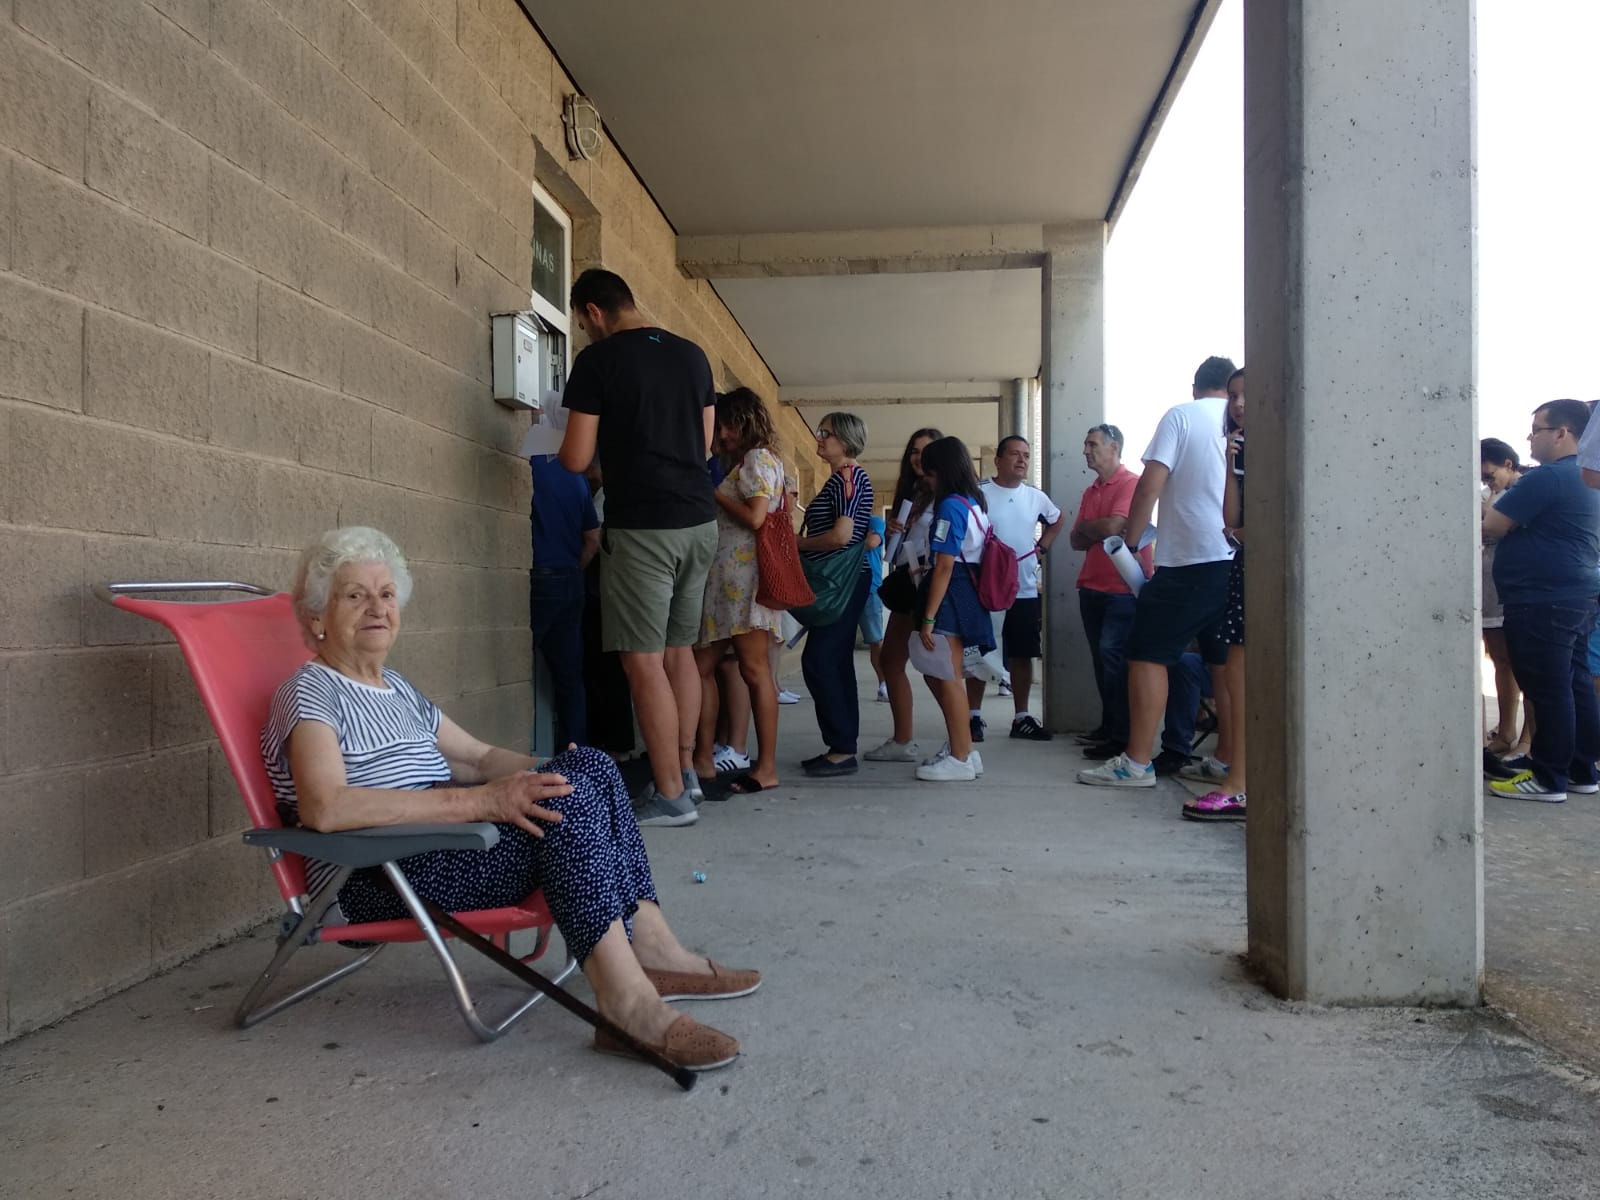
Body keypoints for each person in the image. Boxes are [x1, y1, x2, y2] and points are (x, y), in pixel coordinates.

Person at [261, 527, 759, 1073]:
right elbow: (327, 808)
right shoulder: (310, 691)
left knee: (590, 768)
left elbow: (474, 759)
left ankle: (654, 950)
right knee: (565, 809)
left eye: (385, 594)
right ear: (316, 618)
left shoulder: (395, 688)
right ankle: (625, 1004)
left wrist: (548, 772)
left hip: (440, 848)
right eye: (354, 595)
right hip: (375, 876)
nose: (377, 607)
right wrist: (483, 804)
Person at [558, 269, 716, 827]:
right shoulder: (694, 356)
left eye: (581, 323)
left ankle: (668, 794)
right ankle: (687, 772)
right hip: (699, 521)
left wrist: (605, 461)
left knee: (642, 660)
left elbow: (575, 460)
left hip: (644, 525)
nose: (583, 331)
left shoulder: (598, 362)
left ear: (593, 311)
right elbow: (702, 444)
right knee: (679, 652)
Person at [1078, 355, 1238, 789]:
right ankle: (1225, 760)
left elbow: (1151, 482)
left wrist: (1129, 542)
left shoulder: (1182, 416)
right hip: (1232, 559)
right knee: (1223, 664)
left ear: (1195, 386)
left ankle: (1136, 762)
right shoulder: (1239, 422)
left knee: (1146, 654)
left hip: (1188, 561)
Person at [1482, 400, 1600, 802]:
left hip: (1541, 600)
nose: (1530, 438)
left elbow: (1493, 526)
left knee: (1548, 690)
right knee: (1575, 684)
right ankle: (1581, 770)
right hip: (1576, 596)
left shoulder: (1548, 478)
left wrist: (1486, 508)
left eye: (1537, 429)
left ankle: (1548, 777)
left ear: (1562, 433)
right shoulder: (1587, 477)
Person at [691, 389, 785, 795]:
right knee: (699, 668)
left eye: (727, 425)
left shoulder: (757, 460)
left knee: (753, 670)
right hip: (728, 582)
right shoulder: (753, 461)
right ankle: (703, 759)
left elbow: (756, 517)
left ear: (742, 423)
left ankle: (765, 767)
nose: (722, 434)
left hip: (743, 582)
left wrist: (711, 491)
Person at [1184, 367, 1249, 821]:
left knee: (1242, 680)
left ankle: (1240, 783)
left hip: (1264, 574)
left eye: (1248, 394)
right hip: (1244, 569)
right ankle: (1238, 779)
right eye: (1234, 396)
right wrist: (1229, 464)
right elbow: (1232, 519)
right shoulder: (1243, 451)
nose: (1240, 403)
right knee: (1233, 676)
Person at [968, 436, 1063, 742]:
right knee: (981, 652)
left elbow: (1057, 521)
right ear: (998, 460)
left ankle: (1021, 717)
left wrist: (1041, 548)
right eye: (1014, 454)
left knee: (1023, 653)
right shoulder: (979, 493)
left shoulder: (1035, 497)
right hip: (986, 591)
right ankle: (973, 717)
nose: (1022, 460)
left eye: (1026, 455)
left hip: (1022, 590)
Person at [795, 412, 875, 777]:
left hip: (840, 581)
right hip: (842, 581)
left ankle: (842, 747)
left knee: (820, 660)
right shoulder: (844, 478)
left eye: (825, 432)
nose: (819, 437)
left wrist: (798, 544)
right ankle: (842, 745)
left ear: (844, 439)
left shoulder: (849, 477)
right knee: (836, 661)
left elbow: (842, 536)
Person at [911, 436, 994, 782]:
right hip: (969, 590)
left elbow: (944, 565)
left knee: (947, 677)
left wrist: (928, 617)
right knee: (948, 675)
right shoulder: (976, 504)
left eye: (929, 474)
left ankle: (960, 755)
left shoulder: (950, 507)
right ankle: (964, 750)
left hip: (951, 592)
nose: (927, 481)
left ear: (940, 472)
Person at [1071, 423, 1152, 758]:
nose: (1086, 450)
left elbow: (1115, 526)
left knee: (1114, 657)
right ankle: (1110, 727)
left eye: (1092, 444)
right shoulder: (1091, 491)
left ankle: (1122, 737)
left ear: (1114, 448)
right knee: (1102, 661)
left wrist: (1095, 529)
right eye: (1086, 444)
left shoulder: (1132, 483)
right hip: (1091, 586)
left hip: (1122, 587)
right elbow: (1076, 539)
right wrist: (1097, 529)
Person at [864, 427, 943, 763]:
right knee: (892, 661)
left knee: (934, 668)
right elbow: (898, 549)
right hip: (905, 584)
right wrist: (896, 530)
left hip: (927, 587)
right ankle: (902, 740)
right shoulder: (912, 494)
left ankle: (961, 742)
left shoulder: (944, 495)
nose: (917, 457)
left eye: (925, 451)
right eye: (913, 450)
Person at [529, 453, 600, 749]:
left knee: (513, 667)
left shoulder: (529, 465)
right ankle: (575, 760)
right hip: (570, 578)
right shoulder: (575, 473)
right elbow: (592, 538)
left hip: (536, 577)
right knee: (570, 679)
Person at [1480, 438, 1530, 767]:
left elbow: (1503, 528)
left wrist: (1484, 513)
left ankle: (1527, 740)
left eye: (1490, 474)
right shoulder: (1493, 494)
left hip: (1512, 594)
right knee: (1501, 662)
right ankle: (1506, 732)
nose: (1487, 481)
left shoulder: (1522, 492)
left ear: (1509, 465)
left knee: (1524, 666)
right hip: (1490, 591)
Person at [862, 512, 888, 700]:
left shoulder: (875, 521)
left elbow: (872, 543)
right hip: (842, 588)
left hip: (870, 588)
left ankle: (883, 684)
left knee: (875, 639)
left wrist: (842, 539)